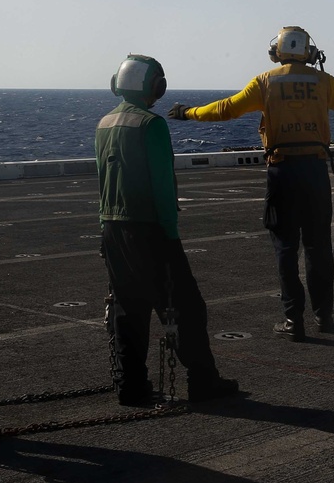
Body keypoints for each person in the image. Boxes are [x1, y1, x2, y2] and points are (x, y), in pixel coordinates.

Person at [167, 26, 334, 342]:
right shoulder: (323, 82)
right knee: (319, 247)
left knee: (285, 248)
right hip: (314, 172)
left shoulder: (265, 82)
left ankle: (293, 320)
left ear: (278, 52)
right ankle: (324, 316)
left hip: (282, 173)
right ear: (309, 53)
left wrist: (189, 113)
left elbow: (226, 108)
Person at [95, 54, 238, 406]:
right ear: (155, 87)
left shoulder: (104, 123)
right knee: (187, 306)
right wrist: (171, 235)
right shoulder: (150, 125)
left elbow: (102, 181)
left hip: (112, 228)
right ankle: (203, 381)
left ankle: (131, 384)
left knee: (129, 308)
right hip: (149, 230)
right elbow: (161, 185)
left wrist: (104, 229)